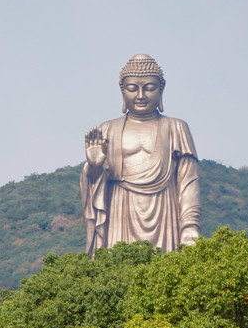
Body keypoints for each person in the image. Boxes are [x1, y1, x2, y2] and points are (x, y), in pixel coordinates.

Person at [81, 54, 201, 254]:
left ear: (161, 90)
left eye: (149, 88)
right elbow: (95, 188)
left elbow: (188, 185)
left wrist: (190, 227)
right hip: (120, 214)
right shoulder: (108, 130)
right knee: (118, 272)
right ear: (122, 92)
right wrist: (94, 167)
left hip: (164, 212)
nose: (141, 95)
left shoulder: (176, 128)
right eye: (132, 88)